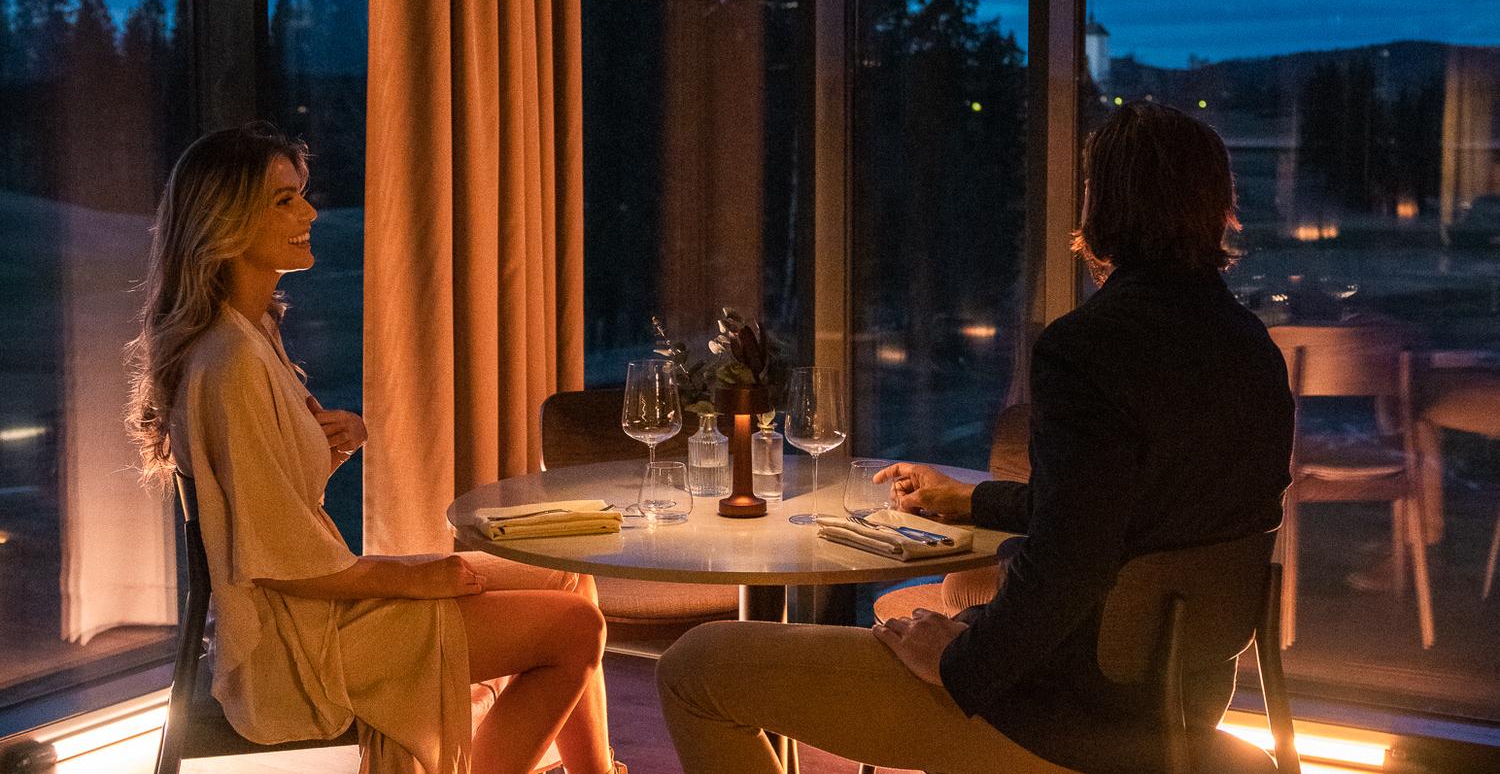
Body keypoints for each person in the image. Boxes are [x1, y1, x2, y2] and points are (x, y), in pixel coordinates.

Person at [655, 101, 1295, 773]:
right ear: (1217, 206)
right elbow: (1119, 514)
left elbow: (1070, 565)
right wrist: (970, 499)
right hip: (1174, 709)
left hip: (1061, 722)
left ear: (1101, 203)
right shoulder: (1250, 348)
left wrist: (957, 662)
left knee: (694, 668)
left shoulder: (1089, 346)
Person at [125, 123, 623, 774]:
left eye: (300, 195)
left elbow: (269, 500)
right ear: (226, 221)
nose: (308, 212)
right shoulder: (231, 363)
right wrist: (413, 577)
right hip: (299, 641)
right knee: (574, 629)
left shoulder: (252, 333)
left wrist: (335, 439)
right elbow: (278, 560)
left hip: (320, 601)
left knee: (568, 575)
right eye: (283, 200)